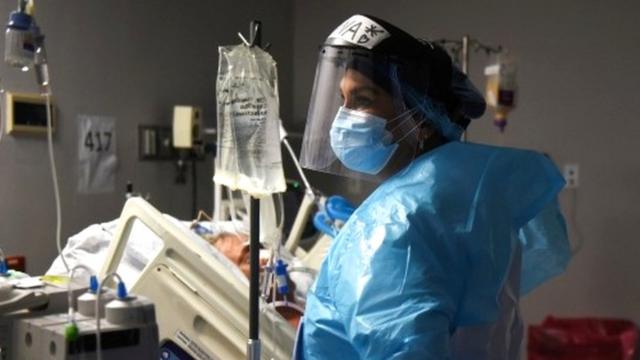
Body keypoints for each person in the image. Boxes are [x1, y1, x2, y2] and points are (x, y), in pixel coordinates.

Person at [297, 14, 571, 359]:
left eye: (363, 100)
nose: (344, 117)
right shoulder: (477, 196)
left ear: (421, 118)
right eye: (342, 99)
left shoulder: (394, 224)